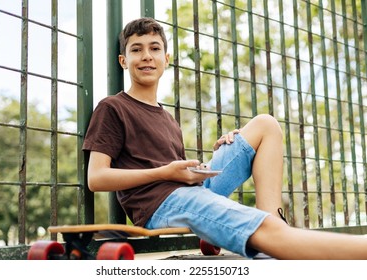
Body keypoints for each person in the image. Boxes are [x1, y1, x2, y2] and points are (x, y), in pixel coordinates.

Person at [83, 17, 367, 259]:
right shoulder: (113, 107)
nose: (146, 56)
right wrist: (166, 172)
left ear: (166, 59)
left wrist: (206, 161)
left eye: (155, 48)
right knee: (238, 218)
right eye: (137, 50)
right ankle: (274, 235)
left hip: (188, 190)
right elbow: (96, 178)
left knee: (264, 125)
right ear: (124, 61)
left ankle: (273, 220)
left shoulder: (167, 118)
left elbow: (180, 175)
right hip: (161, 205)